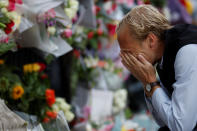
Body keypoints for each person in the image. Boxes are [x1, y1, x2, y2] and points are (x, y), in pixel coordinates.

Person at [116, 5, 197, 131]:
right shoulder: (162, 56)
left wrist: (150, 82)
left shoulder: (186, 51)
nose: (127, 61)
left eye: (129, 52)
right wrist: (147, 83)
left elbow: (181, 127)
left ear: (151, 40)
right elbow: (163, 121)